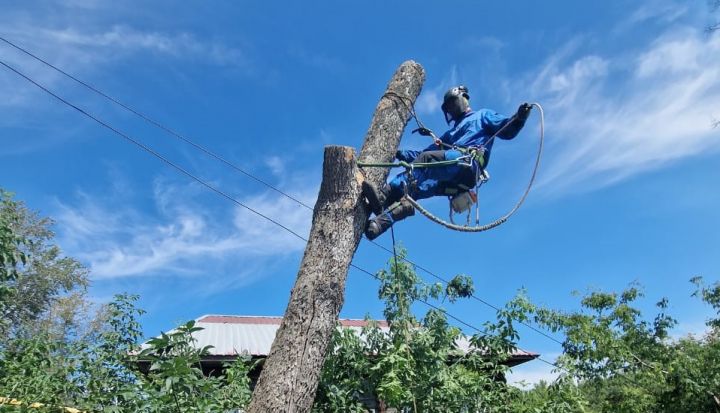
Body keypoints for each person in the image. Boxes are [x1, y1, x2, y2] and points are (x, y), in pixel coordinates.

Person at [362, 85, 532, 240]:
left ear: (462, 99)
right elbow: (424, 154)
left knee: (425, 163)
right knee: (415, 189)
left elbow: (506, 128)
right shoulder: (450, 134)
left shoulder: (482, 116)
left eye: (452, 104)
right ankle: (379, 224)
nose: (450, 110)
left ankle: (384, 195)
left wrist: (519, 118)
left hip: (466, 163)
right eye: (448, 108)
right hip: (453, 181)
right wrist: (400, 153)